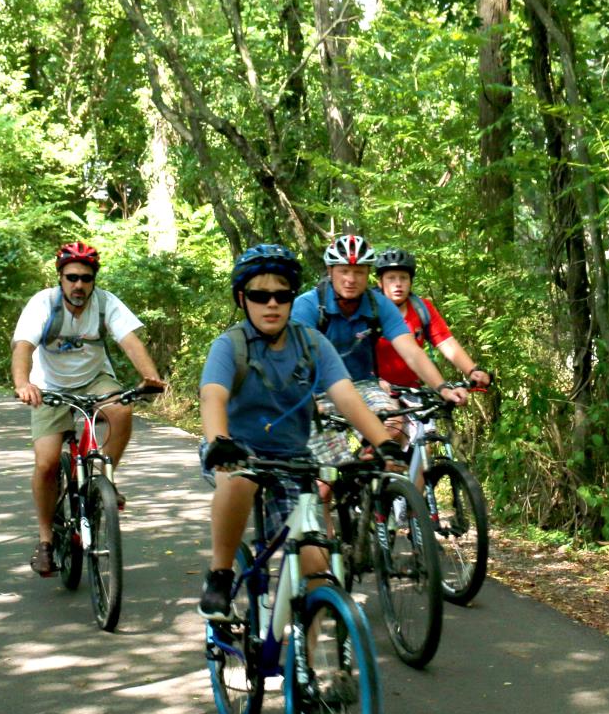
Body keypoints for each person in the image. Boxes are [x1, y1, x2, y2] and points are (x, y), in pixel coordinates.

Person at [196, 244, 404, 621]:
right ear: (243, 300)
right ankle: (221, 573)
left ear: (293, 298)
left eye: (282, 295)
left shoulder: (312, 344)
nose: (271, 304)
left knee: (316, 569)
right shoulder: (230, 345)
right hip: (237, 450)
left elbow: (346, 397)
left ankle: (307, 675)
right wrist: (219, 444)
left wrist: (385, 443)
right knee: (238, 480)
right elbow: (212, 396)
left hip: (293, 459)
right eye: (260, 296)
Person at [11, 241, 166, 577]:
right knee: (47, 463)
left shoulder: (105, 304)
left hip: (95, 380)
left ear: (94, 279)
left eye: (86, 278)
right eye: (71, 278)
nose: (78, 285)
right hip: (49, 386)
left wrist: (150, 377)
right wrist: (24, 384)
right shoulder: (44, 304)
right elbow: (23, 346)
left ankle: (102, 481)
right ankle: (45, 541)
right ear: (61, 278)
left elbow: (130, 341)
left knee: (122, 410)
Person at [291, 234, 466, 423]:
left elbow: (412, 353)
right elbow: (292, 358)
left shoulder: (379, 306)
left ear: (368, 274)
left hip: (363, 385)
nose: (351, 279)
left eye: (359, 272)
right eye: (344, 271)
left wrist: (443, 388)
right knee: (326, 441)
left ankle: (373, 452)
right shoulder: (308, 305)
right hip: (315, 390)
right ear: (330, 271)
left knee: (393, 426)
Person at [372, 248, 493, 393]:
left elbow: (446, 342)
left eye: (403, 277)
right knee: (393, 417)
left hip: (411, 390)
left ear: (410, 282)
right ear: (380, 283)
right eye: (391, 278)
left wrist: (472, 370)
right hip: (374, 387)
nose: (398, 283)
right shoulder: (369, 310)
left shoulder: (422, 308)